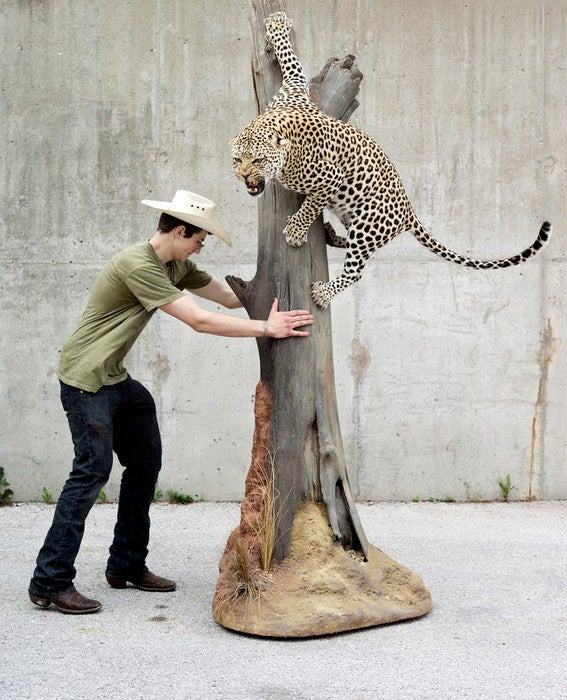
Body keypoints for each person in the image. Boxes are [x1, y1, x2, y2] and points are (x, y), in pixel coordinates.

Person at [29, 189, 313, 614]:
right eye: (200, 239)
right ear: (180, 231)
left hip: (116, 379)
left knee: (144, 465)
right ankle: (49, 581)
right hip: (86, 380)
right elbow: (198, 320)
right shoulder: (138, 265)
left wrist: (280, 280)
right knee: (91, 472)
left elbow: (230, 297)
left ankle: (125, 564)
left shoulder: (176, 265)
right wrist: (266, 329)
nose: (202, 246)